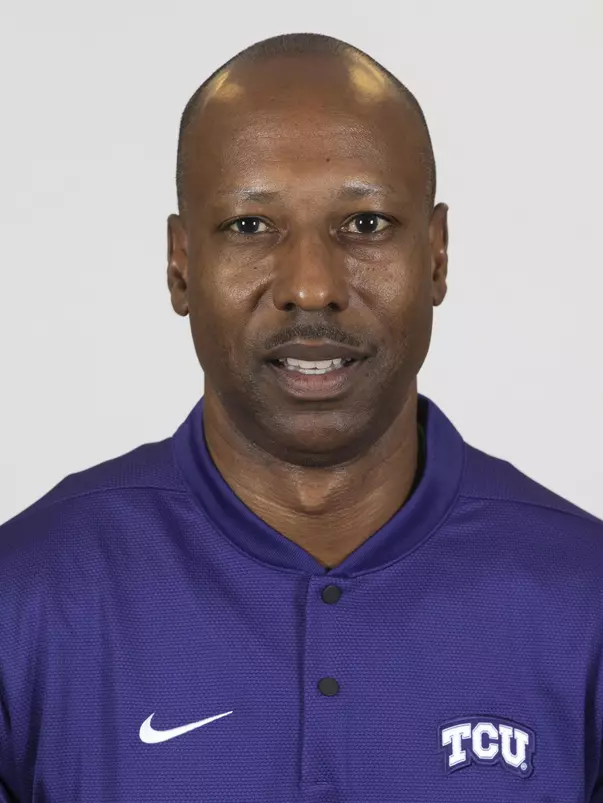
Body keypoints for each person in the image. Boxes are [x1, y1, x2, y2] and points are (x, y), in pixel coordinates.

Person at [0, 31, 602, 803]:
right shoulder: (29, 599)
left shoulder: (583, 599)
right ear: (181, 264)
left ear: (438, 255)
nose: (311, 286)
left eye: (366, 224)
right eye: (250, 227)